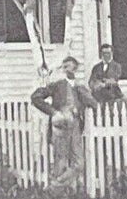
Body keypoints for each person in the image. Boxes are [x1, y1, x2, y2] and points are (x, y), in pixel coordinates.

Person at [31, 56, 99, 189]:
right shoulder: (57, 85)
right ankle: (58, 197)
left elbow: (94, 104)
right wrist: (53, 112)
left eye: (68, 66)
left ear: (75, 68)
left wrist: (83, 94)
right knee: (60, 162)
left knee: (79, 164)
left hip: (75, 126)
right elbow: (35, 97)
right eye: (64, 66)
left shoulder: (80, 86)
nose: (66, 69)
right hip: (60, 126)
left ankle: (54, 186)